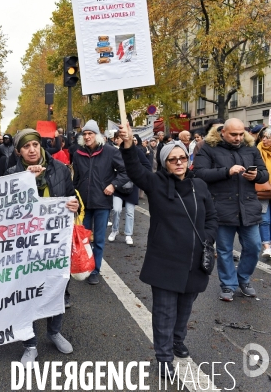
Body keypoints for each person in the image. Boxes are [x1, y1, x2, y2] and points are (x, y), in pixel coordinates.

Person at [118, 123, 218, 380]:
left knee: (185, 308)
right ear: (165, 163)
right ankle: (163, 358)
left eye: (182, 157)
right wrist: (128, 144)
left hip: (194, 260)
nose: (178, 162)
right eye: (172, 159)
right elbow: (135, 170)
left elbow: (212, 218)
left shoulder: (200, 187)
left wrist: (207, 238)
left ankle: (177, 341)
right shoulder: (156, 183)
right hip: (164, 260)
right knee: (164, 312)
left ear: (188, 158)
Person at [5, 129, 79, 364]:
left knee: (56, 286)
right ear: (19, 151)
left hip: (55, 244)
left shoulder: (60, 169)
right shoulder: (11, 174)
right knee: (26, 292)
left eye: (35, 144)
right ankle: (30, 344)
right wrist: (26, 181)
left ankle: (54, 331)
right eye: (26, 146)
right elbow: (5, 211)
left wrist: (74, 204)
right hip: (25, 246)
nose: (32, 149)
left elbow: (69, 195)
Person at [193, 118, 268, 301]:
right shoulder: (208, 148)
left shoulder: (250, 148)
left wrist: (256, 175)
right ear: (223, 132)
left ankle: (243, 279)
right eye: (234, 134)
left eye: (241, 134)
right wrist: (227, 171)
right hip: (221, 206)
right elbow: (199, 173)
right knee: (225, 250)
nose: (238, 138)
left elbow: (264, 173)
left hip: (248, 206)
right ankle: (228, 284)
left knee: (253, 246)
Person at [72, 120, 129, 285]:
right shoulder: (77, 153)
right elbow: (76, 179)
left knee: (98, 239)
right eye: (85, 134)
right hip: (83, 203)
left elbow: (125, 171)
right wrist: (72, 196)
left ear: (97, 135)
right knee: (83, 238)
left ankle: (95, 270)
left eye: (90, 133)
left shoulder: (110, 152)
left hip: (102, 202)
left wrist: (113, 185)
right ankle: (85, 266)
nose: (87, 136)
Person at [108, 131, 151, 245]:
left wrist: (136, 173)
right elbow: (108, 168)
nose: (117, 140)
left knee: (130, 212)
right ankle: (114, 230)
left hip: (132, 186)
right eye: (116, 138)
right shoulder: (115, 151)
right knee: (116, 209)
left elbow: (147, 166)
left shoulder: (136, 150)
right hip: (118, 186)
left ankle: (128, 234)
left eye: (120, 137)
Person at [258, 127, 271, 259]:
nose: (265, 140)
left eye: (268, 137)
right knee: (265, 219)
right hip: (263, 189)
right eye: (263, 137)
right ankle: (267, 247)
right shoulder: (257, 150)